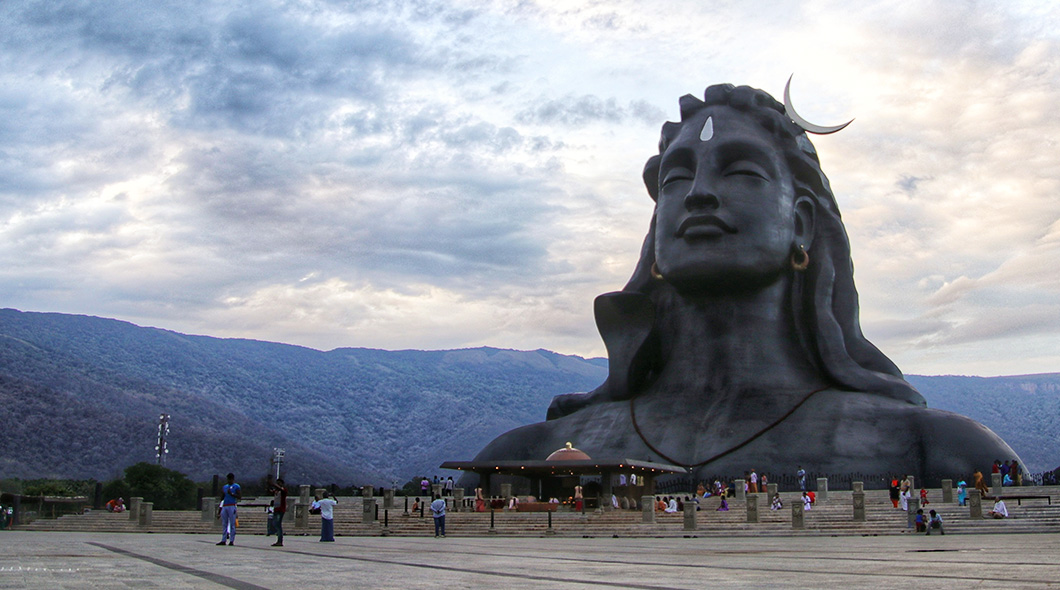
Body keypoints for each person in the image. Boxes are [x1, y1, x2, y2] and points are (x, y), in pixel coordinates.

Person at [469, 82, 1024, 484]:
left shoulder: (936, 450)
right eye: (677, 176)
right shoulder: (527, 456)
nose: (698, 194)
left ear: (801, 224)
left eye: (740, 171)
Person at [216, 473, 241, 546]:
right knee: (224, 523)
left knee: (232, 523)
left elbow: (239, 496)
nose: (229, 481)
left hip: (232, 505)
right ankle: (223, 539)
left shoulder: (236, 486)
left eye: (230, 479)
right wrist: (220, 507)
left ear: (232, 479)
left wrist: (232, 494)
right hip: (225, 505)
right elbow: (223, 496)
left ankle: (231, 540)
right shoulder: (225, 487)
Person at [266, 478, 288, 547]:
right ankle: (278, 538)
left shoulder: (283, 490)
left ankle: (280, 540)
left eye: (279, 483)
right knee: (275, 523)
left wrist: (274, 484)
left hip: (281, 510)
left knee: (278, 524)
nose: (278, 485)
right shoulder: (276, 491)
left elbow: (281, 489)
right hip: (276, 509)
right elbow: (270, 492)